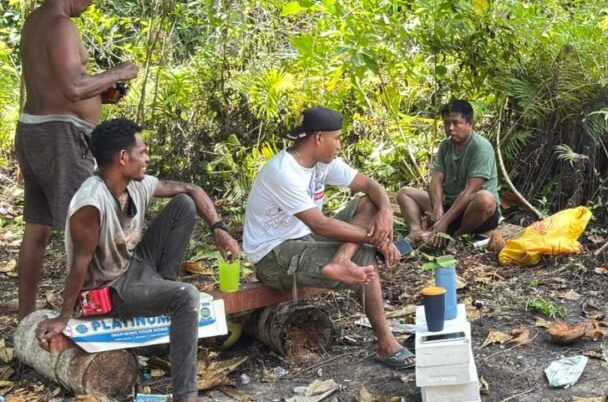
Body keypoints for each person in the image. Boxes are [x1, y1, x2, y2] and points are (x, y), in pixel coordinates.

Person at [35, 119, 240, 402]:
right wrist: (64, 316)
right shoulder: (91, 204)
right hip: (110, 287)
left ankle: (162, 288)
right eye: (142, 152)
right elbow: (80, 265)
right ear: (122, 158)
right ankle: (186, 396)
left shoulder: (137, 185)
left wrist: (220, 229)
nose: (147, 158)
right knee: (187, 297)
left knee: (184, 204)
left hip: (135, 265)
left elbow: (192, 189)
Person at [242, 107, 413, 369]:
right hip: (273, 256)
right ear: (319, 138)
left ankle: (341, 260)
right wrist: (376, 240)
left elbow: (369, 186)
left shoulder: (323, 163)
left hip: (305, 239)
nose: (340, 145)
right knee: (366, 255)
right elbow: (320, 224)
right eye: (337, 138)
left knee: (368, 203)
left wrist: (387, 211)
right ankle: (387, 346)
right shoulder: (282, 172)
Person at [16, 0, 139, 318]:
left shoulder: (35, 21)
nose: (92, 1)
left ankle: (25, 316)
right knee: (89, 223)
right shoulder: (62, 25)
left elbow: (59, 85)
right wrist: (119, 71)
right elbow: (72, 88)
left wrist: (104, 92)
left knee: (36, 227)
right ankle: (88, 312)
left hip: (34, 130)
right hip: (60, 137)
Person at [397, 99, 500, 248]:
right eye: (446, 123)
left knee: (485, 198)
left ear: (470, 124)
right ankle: (416, 232)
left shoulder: (481, 148)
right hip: (450, 207)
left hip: (475, 213)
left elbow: (471, 191)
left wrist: (443, 222)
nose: (450, 128)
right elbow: (436, 181)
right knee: (405, 193)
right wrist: (438, 210)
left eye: (456, 123)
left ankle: (457, 237)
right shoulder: (445, 145)